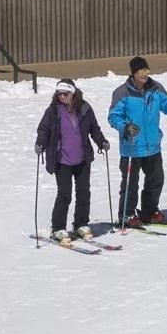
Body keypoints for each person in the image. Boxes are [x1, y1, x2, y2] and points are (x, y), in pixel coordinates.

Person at [108, 57, 167, 226]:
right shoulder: (122, 93)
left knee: (156, 180)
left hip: (153, 146)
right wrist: (125, 127)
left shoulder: (156, 89)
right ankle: (127, 215)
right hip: (132, 147)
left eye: (146, 70)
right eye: (141, 71)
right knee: (130, 184)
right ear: (133, 73)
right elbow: (113, 117)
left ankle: (149, 212)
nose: (145, 74)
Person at [33, 81, 106, 241]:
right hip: (62, 160)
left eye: (65, 93)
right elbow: (44, 129)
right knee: (64, 194)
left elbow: (94, 128)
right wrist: (40, 143)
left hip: (82, 159)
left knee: (83, 192)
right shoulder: (53, 110)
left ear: (73, 93)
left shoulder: (85, 108)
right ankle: (58, 228)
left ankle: (81, 224)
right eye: (59, 93)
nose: (62, 96)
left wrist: (101, 141)